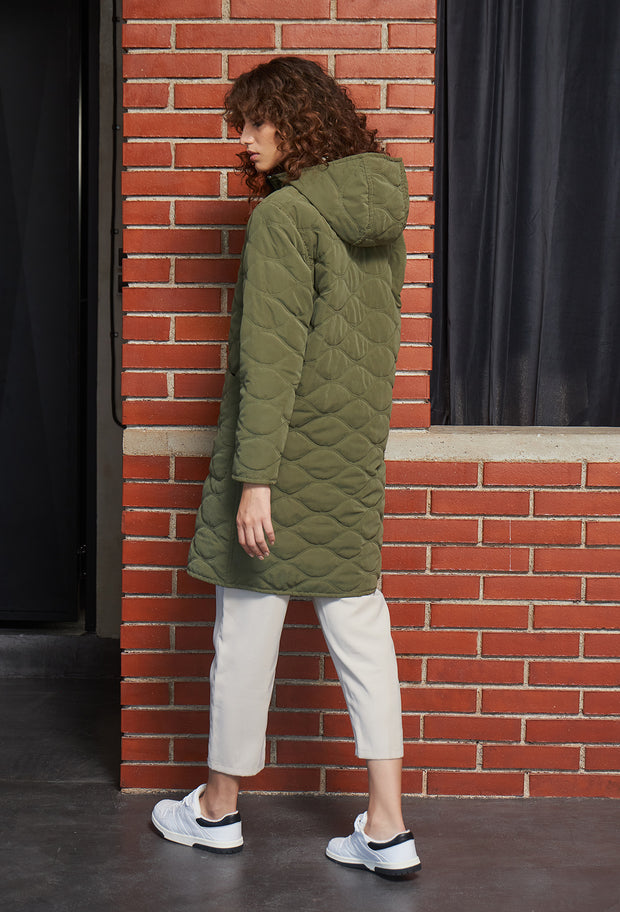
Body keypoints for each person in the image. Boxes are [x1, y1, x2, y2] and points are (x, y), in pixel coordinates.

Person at [151, 56, 421, 878]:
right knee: (364, 636)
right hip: (350, 459)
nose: (242, 138)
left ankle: (218, 809)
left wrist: (256, 480)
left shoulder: (285, 216)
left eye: (254, 121)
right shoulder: (383, 211)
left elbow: (269, 363)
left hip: (279, 461)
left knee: (245, 636)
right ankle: (387, 827)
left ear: (295, 120)